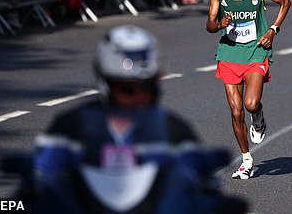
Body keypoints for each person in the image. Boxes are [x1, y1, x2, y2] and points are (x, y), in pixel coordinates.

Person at [31, 26, 247, 213]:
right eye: (127, 89)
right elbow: (39, 178)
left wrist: (216, 199)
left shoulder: (174, 129)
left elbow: (200, 181)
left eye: (147, 88)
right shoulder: (70, 126)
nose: (138, 97)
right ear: (106, 84)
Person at [206, 0, 291, 179]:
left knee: (250, 104)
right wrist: (220, 24)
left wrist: (273, 30)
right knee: (235, 111)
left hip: (255, 50)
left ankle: (259, 117)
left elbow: (285, 2)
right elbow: (209, 25)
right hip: (229, 53)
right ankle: (246, 160)